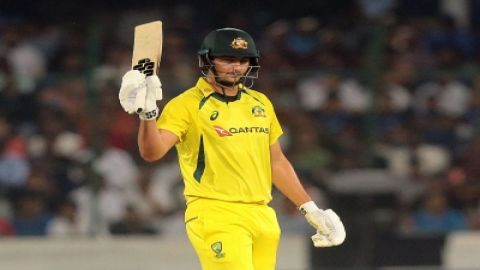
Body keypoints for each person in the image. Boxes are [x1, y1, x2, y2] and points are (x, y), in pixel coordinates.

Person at [119, 27, 345, 270]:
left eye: (242, 60)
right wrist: (148, 114)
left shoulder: (260, 103)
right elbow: (152, 152)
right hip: (216, 213)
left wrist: (310, 209)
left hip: (262, 215)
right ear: (207, 60)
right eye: (227, 59)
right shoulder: (186, 105)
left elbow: (276, 162)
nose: (236, 67)